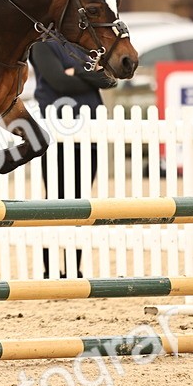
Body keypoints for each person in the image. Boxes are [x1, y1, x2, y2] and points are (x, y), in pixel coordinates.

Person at [29, 38, 118, 278]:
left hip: (88, 134)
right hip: (58, 135)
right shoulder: (42, 46)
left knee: (81, 203)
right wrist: (90, 75)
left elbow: (109, 80)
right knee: (54, 202)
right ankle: (50, 268)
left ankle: (73, 268)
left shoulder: (84, 48)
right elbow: (59, 82)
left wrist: (75, 72)